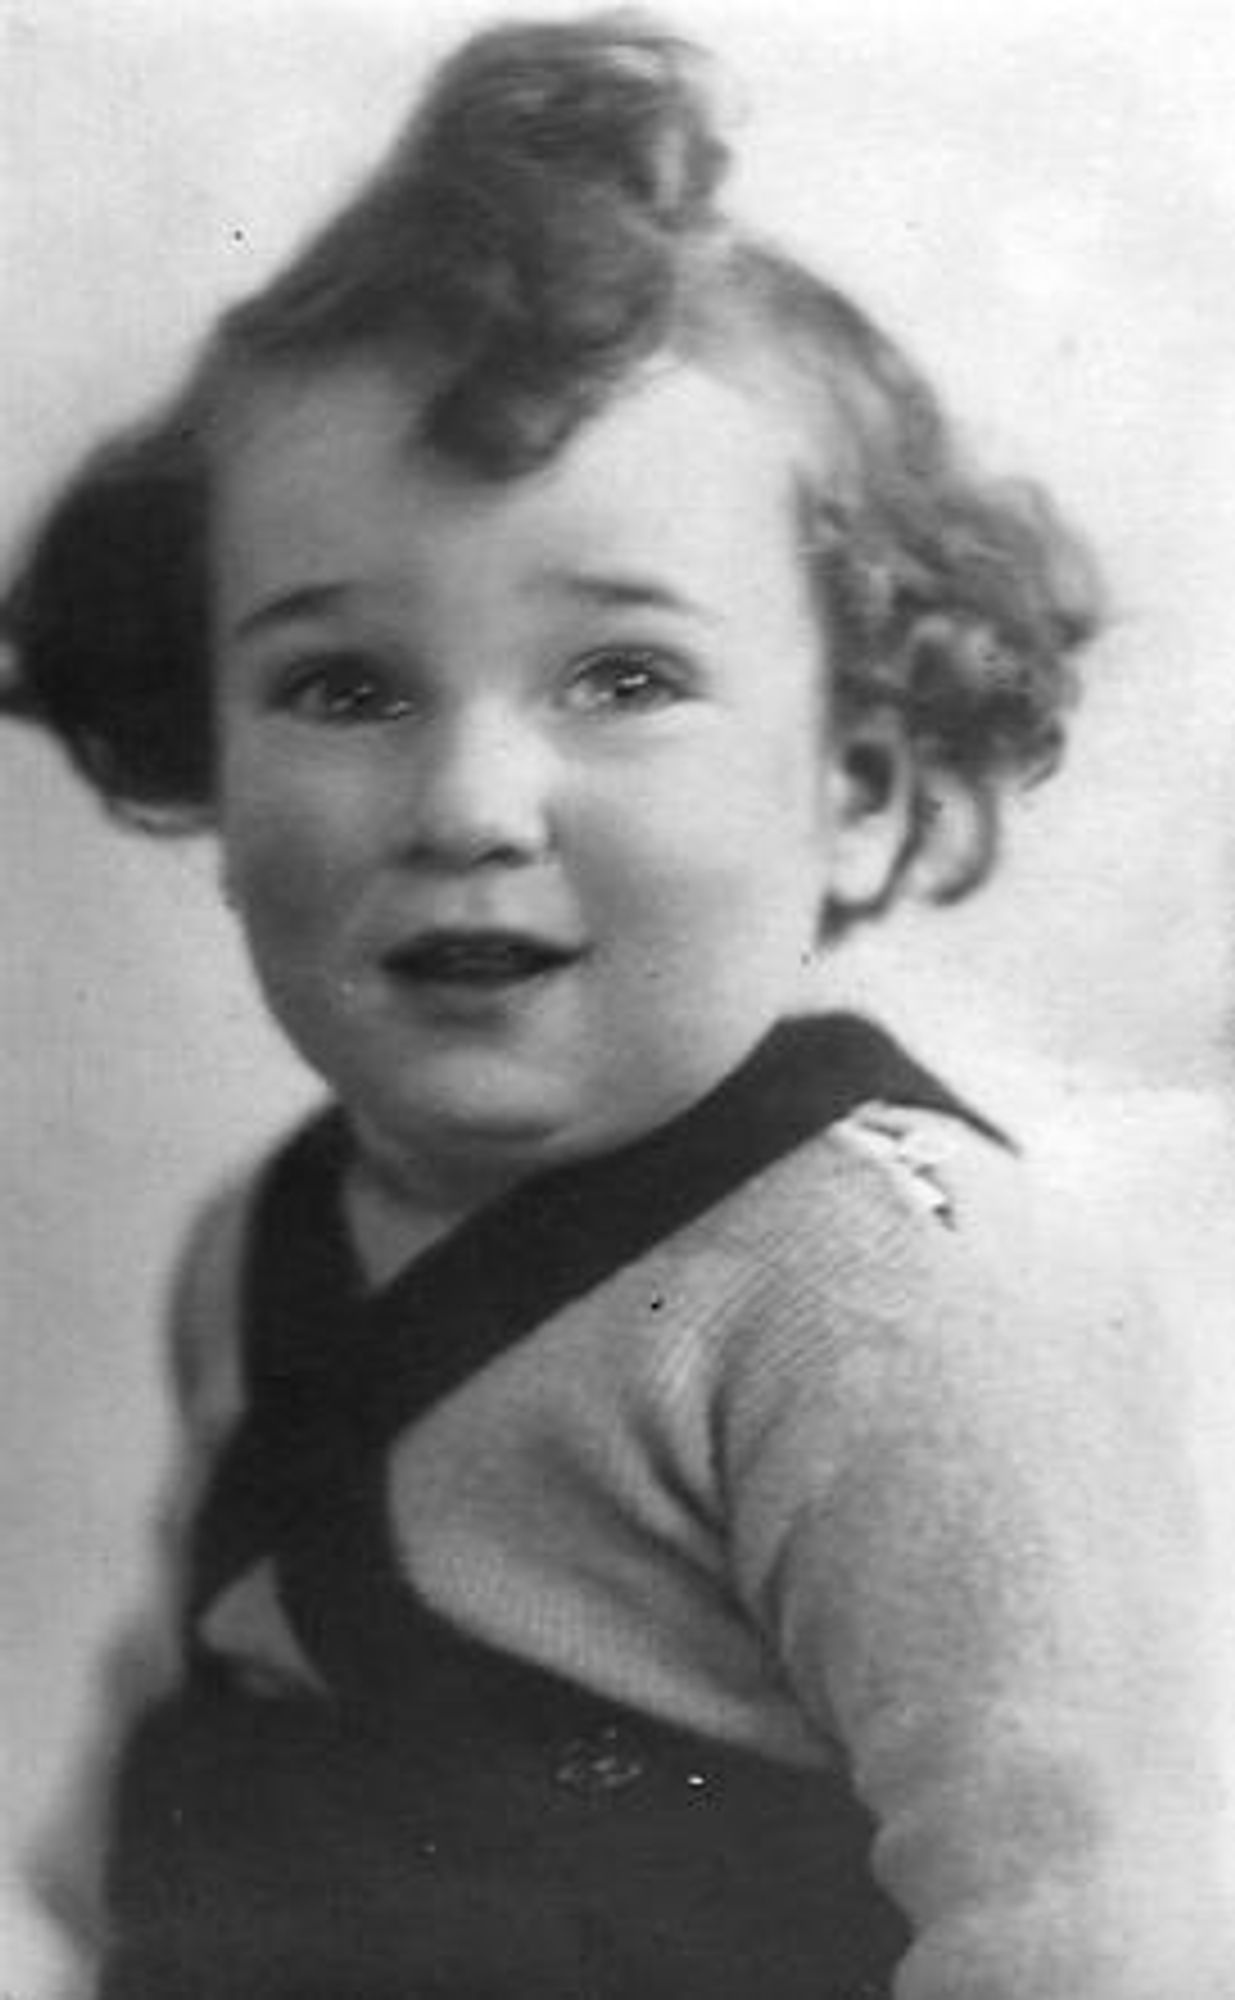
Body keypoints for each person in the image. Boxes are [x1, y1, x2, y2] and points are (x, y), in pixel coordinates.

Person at [3, 12, 1227, 1997]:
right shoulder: (268, 1239)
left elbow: (1084, 1920)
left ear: (863, 783)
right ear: (208, 783)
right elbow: (172, 1753)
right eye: (342, 688)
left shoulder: (897, 1295)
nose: (469, 804)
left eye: (625, 677)